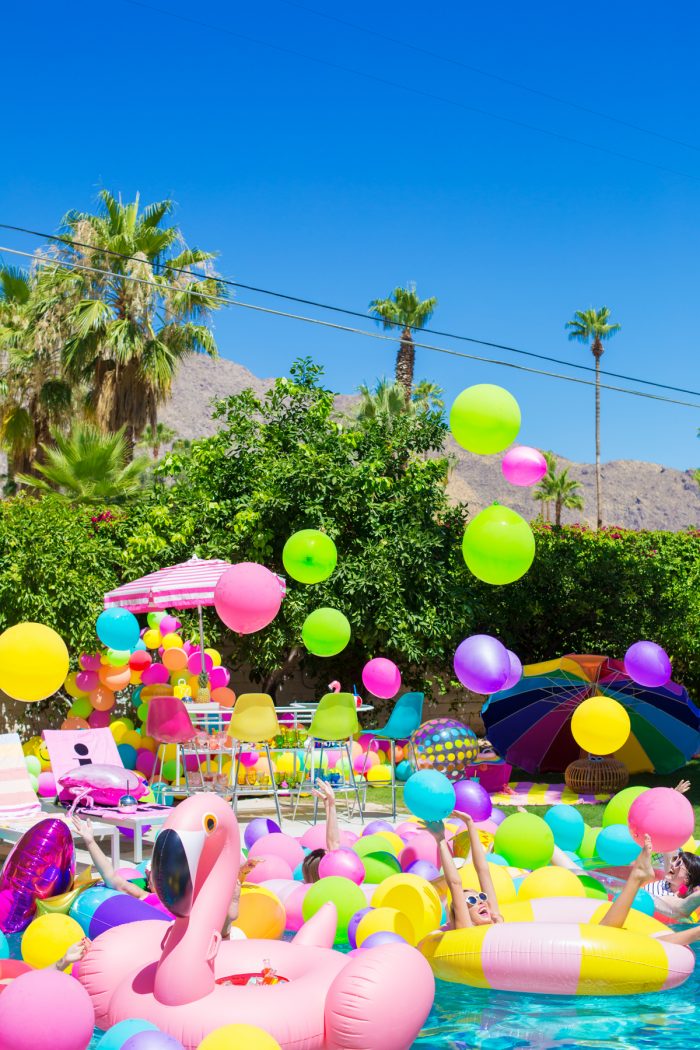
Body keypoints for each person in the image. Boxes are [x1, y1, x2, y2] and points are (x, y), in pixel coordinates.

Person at [426, 813, 700, 947]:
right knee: (621, 938)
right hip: (539, 950)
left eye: (482, 896)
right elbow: (455, 883)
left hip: (546, 944)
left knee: (611, 933)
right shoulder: (465, 930)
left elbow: (482, 870)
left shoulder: (495, 917)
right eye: (471, 901)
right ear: (458, 914)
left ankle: (636, 879)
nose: (482, 900)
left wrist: (472, 824)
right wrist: (440, 840)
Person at [71, 814, 258, 939]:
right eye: (154, 874)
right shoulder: (145, 896)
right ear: (148, 880)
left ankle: (227, 920)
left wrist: (240, 873)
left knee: (215, 924)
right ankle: (226, 922)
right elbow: (112, 878)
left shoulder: (187, 894)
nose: (161, 878)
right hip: (168, 932)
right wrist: (90, 841)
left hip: (194, 924)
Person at [300, 780, 340, 883]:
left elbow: (332, 845)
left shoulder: (308, 884)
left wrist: (327, 804)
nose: (328, 851)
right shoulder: (333, 883)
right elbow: (333, 843)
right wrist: (331, 804)